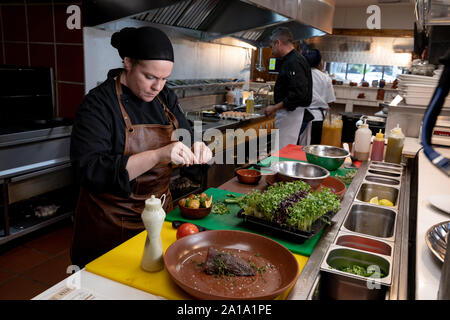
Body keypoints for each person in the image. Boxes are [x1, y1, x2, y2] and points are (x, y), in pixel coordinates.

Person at [70, 26, 212, 268]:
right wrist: (158, 154)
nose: (158, 86)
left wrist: (197, 144)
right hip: (111, 226)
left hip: (160, 216)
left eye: (165, 78)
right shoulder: (98, 105)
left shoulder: (164, 96)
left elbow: (184, 132)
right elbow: (91, 171)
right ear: (128, 63)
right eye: (150, 77)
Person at [264, 27, 313, 150]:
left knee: (282, 153)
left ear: (278, 43)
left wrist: (275, 107)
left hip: (290, 114)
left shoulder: (293, 61)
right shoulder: (294, 59)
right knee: (283, 151)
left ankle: (278, 170)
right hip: (290, 114)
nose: (272, 51)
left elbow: (298, 94)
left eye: (271, 47)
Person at [301, 49, 336, 145]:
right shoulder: (325, 77)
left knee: (302, 149)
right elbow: (331, 100)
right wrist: (322, 102)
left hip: (303, 117)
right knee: (315, 148)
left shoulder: (302, 74)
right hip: (319, 119)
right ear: (319, 62)